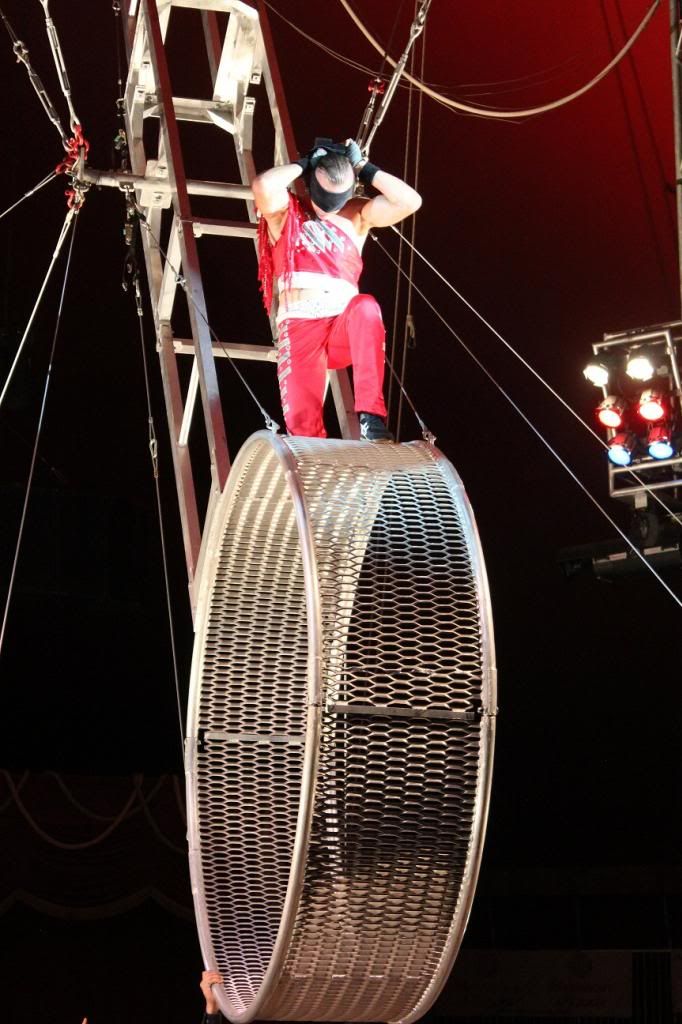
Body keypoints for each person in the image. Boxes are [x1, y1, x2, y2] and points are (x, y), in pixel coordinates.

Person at [252, 138, 422, 440]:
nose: (330, 209)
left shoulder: (356, 215)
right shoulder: (286, 213)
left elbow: (410, 202)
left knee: (367, 307)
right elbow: (264, 185)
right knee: (303, 430)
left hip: (341, 323)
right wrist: (304, 164)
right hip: (300, 327)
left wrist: (366, 169)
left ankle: (371, 417)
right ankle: (315, 479)